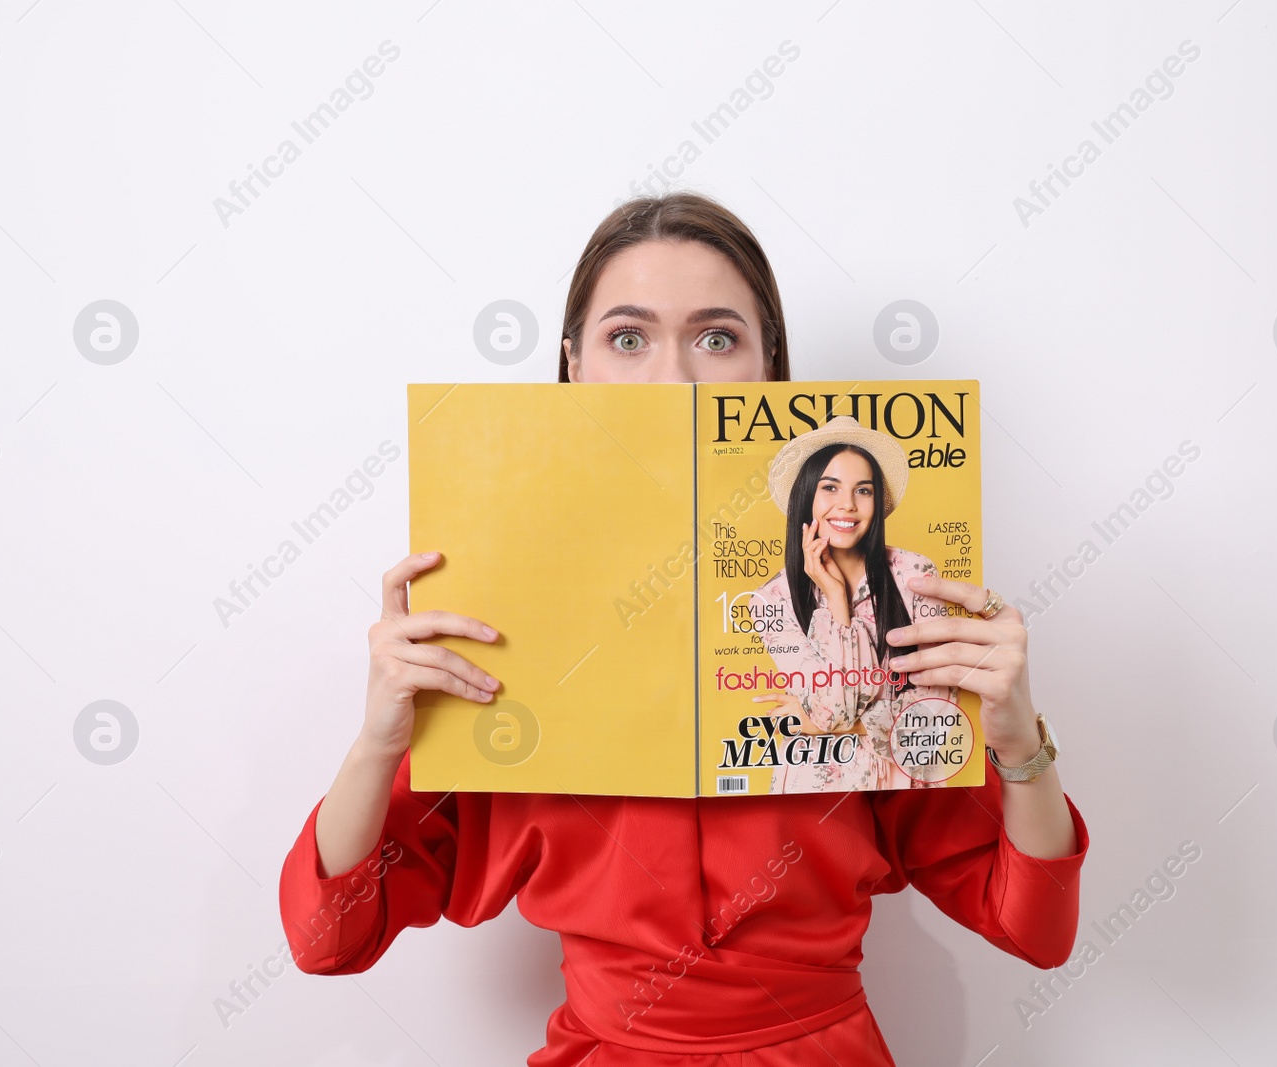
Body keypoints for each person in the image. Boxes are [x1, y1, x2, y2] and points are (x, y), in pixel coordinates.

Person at [279, 192, 1088, 1066]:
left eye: (716, 337)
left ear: (769, 367)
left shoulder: (886, 597)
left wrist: (1016, 743)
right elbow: (328, 937)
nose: (672, 380)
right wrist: (376, 740)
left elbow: (1033, 928)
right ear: (573, 365)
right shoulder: (496, 613)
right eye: (628, 338)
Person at [750, 420, 962, 793]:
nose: (847, 504)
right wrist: (836, 600)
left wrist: (842, 723)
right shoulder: (772, 600)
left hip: (905, 787)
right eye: (830, 487)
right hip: (810, 790)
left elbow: (940, 710)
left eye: (862, 490)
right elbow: (835, 709)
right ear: (806, 497)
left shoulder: (915, 574)